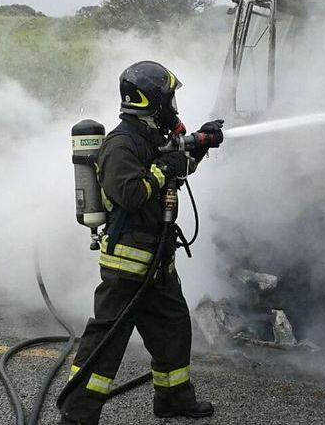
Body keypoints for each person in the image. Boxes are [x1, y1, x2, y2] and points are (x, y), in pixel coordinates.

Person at [60, 61, 224, 425]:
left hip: (157, 262)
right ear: (149, 101)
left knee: (174, 328)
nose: (172, 106)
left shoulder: (150, 137)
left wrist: (198, 144)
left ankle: (173, 400)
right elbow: (130, 193)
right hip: (128, 267)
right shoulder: (121, 143)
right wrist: (166, 166)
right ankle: (76, 416)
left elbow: (172, 169)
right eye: (167, 98)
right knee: (105, 346)